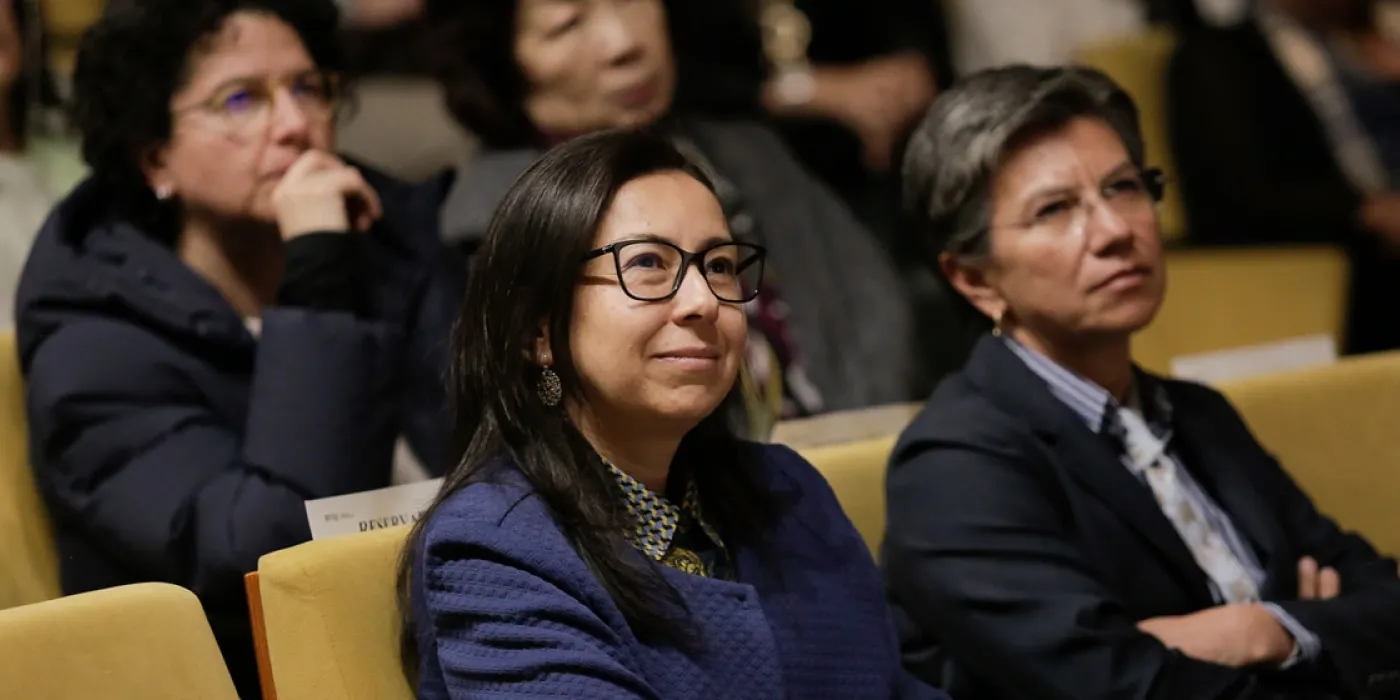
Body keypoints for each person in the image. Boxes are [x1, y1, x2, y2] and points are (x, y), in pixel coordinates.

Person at [886, 64, 1400, 700]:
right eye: (1055, 209)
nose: (1115, 231)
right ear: (975, 281)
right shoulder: (957, 468)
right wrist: (1326, 641)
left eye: (1124, 187)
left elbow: (1384, 598)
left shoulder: (1197, 413)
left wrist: (1265, 631)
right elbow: (1119, 688)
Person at [399, 128, 945, 700]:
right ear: (538, 331)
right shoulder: (495, 550)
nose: (704, 301)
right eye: (649, 263)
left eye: (720, 265)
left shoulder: (788, 491)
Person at [14, 0, 458, 696]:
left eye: (310, 88)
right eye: (242, 99)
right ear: (154, 154)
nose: (295, 126)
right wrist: (316, 276)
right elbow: (265, 558)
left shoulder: (394, 243)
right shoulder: (94, 340)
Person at [422, 0, 920, 438]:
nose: (625, 44)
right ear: (501, 61)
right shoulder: (495, 222)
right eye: (566, 24)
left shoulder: (750, 154)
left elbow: (872, 308)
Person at [1171, 0, 1400, 354]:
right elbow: (1235, 198)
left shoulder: (1377, 40)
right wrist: (1367, 211)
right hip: (1337, 260)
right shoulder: (1217, 57)